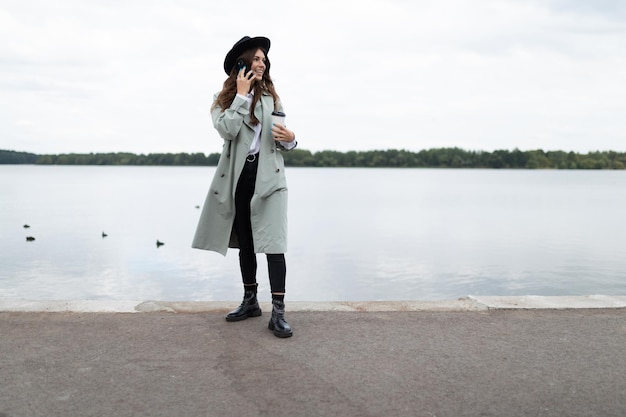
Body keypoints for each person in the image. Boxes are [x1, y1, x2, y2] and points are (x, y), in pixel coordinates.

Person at [192, 36, 297, 338]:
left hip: (271, 179)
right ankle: (250, 301)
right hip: (239, 178)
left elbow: (284, 142)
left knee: (274, 244)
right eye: (257, 59)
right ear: (242, 64)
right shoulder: (222, 100)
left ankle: (278, 312)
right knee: (247, 244)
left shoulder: (272, 99)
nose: (263, 64)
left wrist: (290, 136)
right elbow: (227, 130)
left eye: (265, 60)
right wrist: (240, 96)